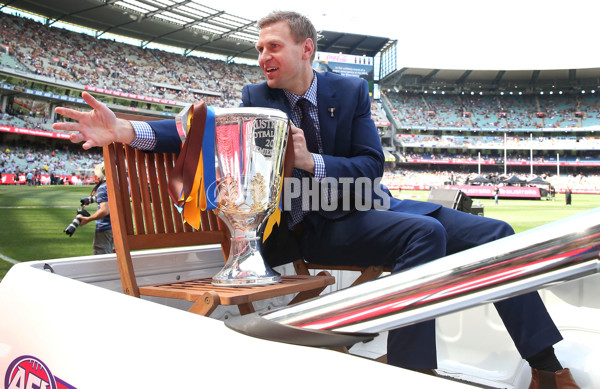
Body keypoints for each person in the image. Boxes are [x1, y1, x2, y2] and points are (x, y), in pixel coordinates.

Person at [52, 11, 580, 388]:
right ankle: (414, 374)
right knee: (428, 235)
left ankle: (546, 368)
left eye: (273, 47)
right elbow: (195, 130)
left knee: (497, 237)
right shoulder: (256, 99)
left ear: (307, 50)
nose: (263, 57)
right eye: (259, 49)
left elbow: (372, 167)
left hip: (371, 204)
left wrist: (313, 163)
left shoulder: (349, 92)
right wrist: (124, 129)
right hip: (312, 227)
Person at [76, 162, 114, 255]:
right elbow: (112, 199)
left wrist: (88, 219)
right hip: (119, 228)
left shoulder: (103, 187)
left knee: (102, 259)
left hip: (105, 227)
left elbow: (104, 211)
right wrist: (92, 199)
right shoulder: (121, 184)